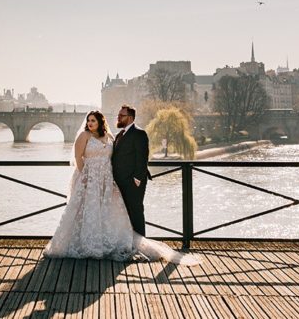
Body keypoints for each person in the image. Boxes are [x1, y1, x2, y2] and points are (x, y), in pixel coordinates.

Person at [42, 109, 199, 264]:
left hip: (107, 180)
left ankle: (116, 242)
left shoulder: (110, 136)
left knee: (110, 212)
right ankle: (84, 243)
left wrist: (134, 177)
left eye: (93, 120)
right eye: (88, 120)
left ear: (100, 122)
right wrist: (85, 177)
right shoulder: (84, 136)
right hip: (88, 180)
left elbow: (126, 156)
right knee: (86, 211)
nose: (90, 123)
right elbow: (78, 157)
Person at [111, 104, 151, 236]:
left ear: (130, 118)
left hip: (133, 182)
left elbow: (142, 157)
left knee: (136, 212)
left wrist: (137, 179)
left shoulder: (139, 134)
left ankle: (141, 245)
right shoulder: (119, 135)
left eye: (121, 116)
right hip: (120, 181)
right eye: (118, 115)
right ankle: (129, 243)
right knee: (124, 214)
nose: (118, 118)